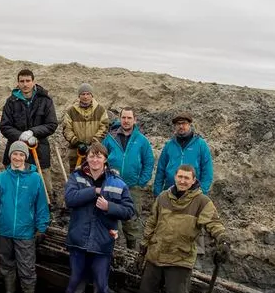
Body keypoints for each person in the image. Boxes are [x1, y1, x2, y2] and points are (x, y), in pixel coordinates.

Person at [128, 164, 228, 293]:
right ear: (175, 177)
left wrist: (223, 240)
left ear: (193, 180)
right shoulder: (163, 198)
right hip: (155, 255)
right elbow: (151, 223)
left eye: (186, 178)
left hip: (180, 260)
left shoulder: (201, 202)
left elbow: (214, 223)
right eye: (180, 177)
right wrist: (143, 250)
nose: (182, 181)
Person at [58, 143, 135, 293]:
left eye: (99, 156)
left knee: (101, 283)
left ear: (105, 159)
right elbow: (70, 199)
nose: (95, 159)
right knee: (76, 279)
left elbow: (129, 210)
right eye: (92, 156)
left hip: (102, 243)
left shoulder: (117, 183)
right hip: (78, 239)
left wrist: (109, 207)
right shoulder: (76, 177)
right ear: (87, 158)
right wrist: (94, 191)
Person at [0, 140, 51, 293]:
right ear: (10, 155)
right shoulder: (0, 179)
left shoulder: (35, 179)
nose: (18, 157)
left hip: (25, 232)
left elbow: (41, 206)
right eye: (15, 154)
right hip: (4, 231)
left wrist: (41, 227)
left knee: (27, 269)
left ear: (25, 157)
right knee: (6, 265)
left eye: (21, 154)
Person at [102, 106, 154, 250]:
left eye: (129, 118)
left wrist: (141, 181)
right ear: (120, 119)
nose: (126, 121)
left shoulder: (142, 140)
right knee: (112, 220)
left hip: (132, 187)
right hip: (112, 186)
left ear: (135, 120)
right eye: (123, 117)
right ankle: (112, 251)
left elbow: (149, 162)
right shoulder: (109, 138)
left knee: (131, 222)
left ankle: (132, 253)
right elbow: (101, 158)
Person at [0, 68, 58, 188]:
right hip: (16, 149)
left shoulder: (45, 100)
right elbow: (5, 126)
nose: (25, 84)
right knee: (15, 185)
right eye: (22, 81)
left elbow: (51, 124)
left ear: (33, 81)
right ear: (18, 83)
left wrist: (33, 131)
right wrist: (19, 135)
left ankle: (47, 205)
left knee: (43, 186)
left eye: (28, 81)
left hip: (40, 149)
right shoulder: (11, 101)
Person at [153, 112, 213, 196]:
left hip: (192, 194)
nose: (181, 126)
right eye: (178, 124)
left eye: (184, 123)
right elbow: (160, 171)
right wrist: (157, 193)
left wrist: (202, 193)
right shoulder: (169, 145)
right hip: (170, 193)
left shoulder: (200, 144)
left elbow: (207, 171)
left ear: (189, 124)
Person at [60, 82, 109, 172]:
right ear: (79, 96)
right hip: (76, 152)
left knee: (94, 177)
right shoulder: (71, 111)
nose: (85, 97)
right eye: (83, 94)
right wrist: (77, 143)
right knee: (76, 178)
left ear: (92, 95)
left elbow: (104, 127)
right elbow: (67, 129)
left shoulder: (100, 110)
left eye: (88, 94)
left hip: (95, 153)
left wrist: (93, 143)